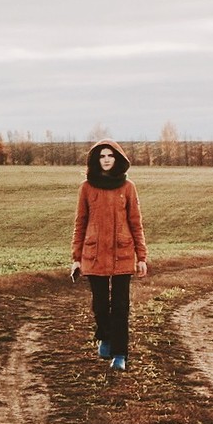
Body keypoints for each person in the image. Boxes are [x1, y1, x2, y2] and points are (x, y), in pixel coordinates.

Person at [70, 140, 148, 371]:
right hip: (94, 255)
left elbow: (136, 223)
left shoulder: (128, 187)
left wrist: (141, 257)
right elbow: (80, 223)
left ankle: (120, 354)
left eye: (110, 156)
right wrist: (76, 257)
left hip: (123, 254)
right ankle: (105, 336)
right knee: (101, 305)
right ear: (96, 160)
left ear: (118, 159)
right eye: (102, 156)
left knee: (121, 306)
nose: (106, 159)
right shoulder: (86, 187)